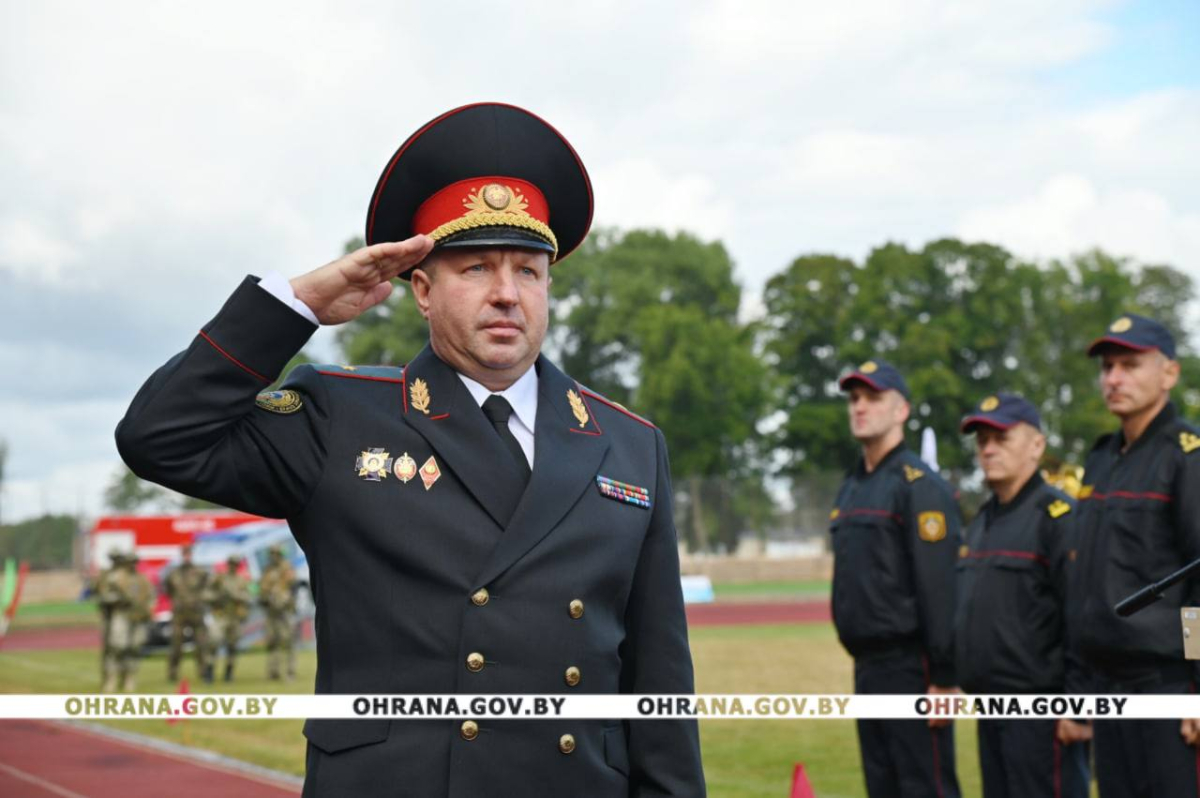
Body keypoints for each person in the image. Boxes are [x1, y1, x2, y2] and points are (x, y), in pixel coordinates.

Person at [115, 102, 704, 796]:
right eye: (477, 268)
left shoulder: (628, 446)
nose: (507, 295)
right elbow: (160, 436)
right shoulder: (341, 418)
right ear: (421, 289)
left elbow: (659, 681)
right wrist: (295, 305)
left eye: (528, 271)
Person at [1073, 313, 1200, 796]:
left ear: (1169, 373)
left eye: (1130, 364)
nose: (1113, 378)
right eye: (1107, 367)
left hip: (1164, 682)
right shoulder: (1102, 458)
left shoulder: (1186, 455)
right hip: (1107, 684)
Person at [831, 358, 962, 798]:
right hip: (868, 667)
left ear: (901, 410)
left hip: (913, 667)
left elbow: (939, 586)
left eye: (873, 397)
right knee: (882, 785)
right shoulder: (853, 485)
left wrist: (943, 676)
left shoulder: (918, 485)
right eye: (854, 398)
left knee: (925, 786)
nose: (860, 406)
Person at [954, 393, 1089, 798]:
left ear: (1036, 445)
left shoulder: (1059, 518)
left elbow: (1081, 614)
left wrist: (1079, 705)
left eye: (1001, 438)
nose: (988, 449)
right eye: (981, 441)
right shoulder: (984, 520)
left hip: (1042, 711)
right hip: (991, 706)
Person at [98, 552, 155, 692]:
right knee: (118, 647)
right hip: (122, 615)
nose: (133, 565)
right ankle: (112, 679)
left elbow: (151, 597)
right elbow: (105, 596)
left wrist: (148, 609)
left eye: (135, 562)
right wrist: (119, 599)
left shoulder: (143, 580)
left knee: (134, 649)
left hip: (138, 617)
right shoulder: (117, 578)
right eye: (130, 562)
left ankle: (130, 678)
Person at [164, 543, 212, 684]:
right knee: (176, 644)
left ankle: (203, 672)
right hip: (179, 613)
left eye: (188, 554)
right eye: (184, 554)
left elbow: (206, 589)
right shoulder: (173, 574)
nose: (186, 557)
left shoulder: (200, 573)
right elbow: (168, 590)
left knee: (201, 644)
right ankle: (172, 672)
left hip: (196, 613)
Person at [208, 554, 252, 682]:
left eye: (235, 564)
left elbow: (248, 597)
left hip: (235, 617)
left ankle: (229, 672)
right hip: (221, 616)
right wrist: (217, 597)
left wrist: (236, 595)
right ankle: (210, 671)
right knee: (214, 641)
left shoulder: (242, 580)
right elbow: (207, 593)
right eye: (231, 563)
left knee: (232, 646)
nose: (233, 566)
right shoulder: (219, 578)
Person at [258, 545, 296, 682]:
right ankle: (273, 672)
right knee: (272, 641)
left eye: (276, 554)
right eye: (272, 554)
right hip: (271, 611)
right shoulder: (267, 570)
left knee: (288, 640)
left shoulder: (286, 568)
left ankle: (290, 671)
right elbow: (262, 589)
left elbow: (292, 586)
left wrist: (286, 600)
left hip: (285, 610)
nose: (273, 556)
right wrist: (265, 597)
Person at [93, 551, 121, 688]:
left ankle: (117, 677)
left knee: (118, 647)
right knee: (107, 649)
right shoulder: (104, 576)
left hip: (120, 616)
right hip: (107, 615)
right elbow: (98, 592)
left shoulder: (122, 576)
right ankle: (107, 677)